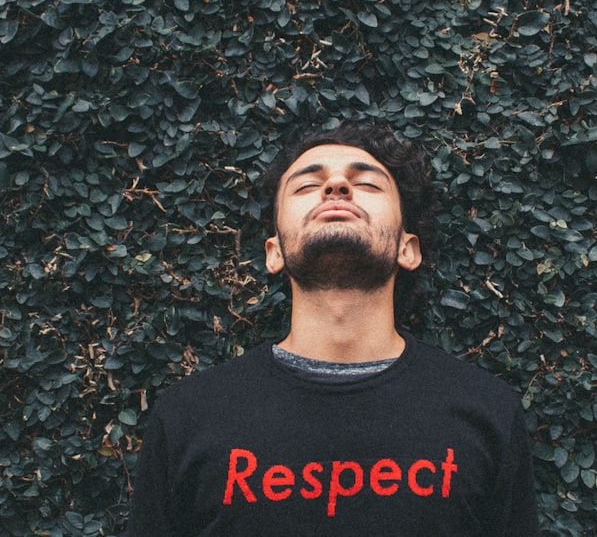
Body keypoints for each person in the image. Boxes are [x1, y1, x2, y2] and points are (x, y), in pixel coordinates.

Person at [127, 124, 538, 536]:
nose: (337, 186)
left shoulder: (489, 412)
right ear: (275, 252)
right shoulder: (187, 416)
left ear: (407, 248)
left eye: (367, 184)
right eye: (307, 185)